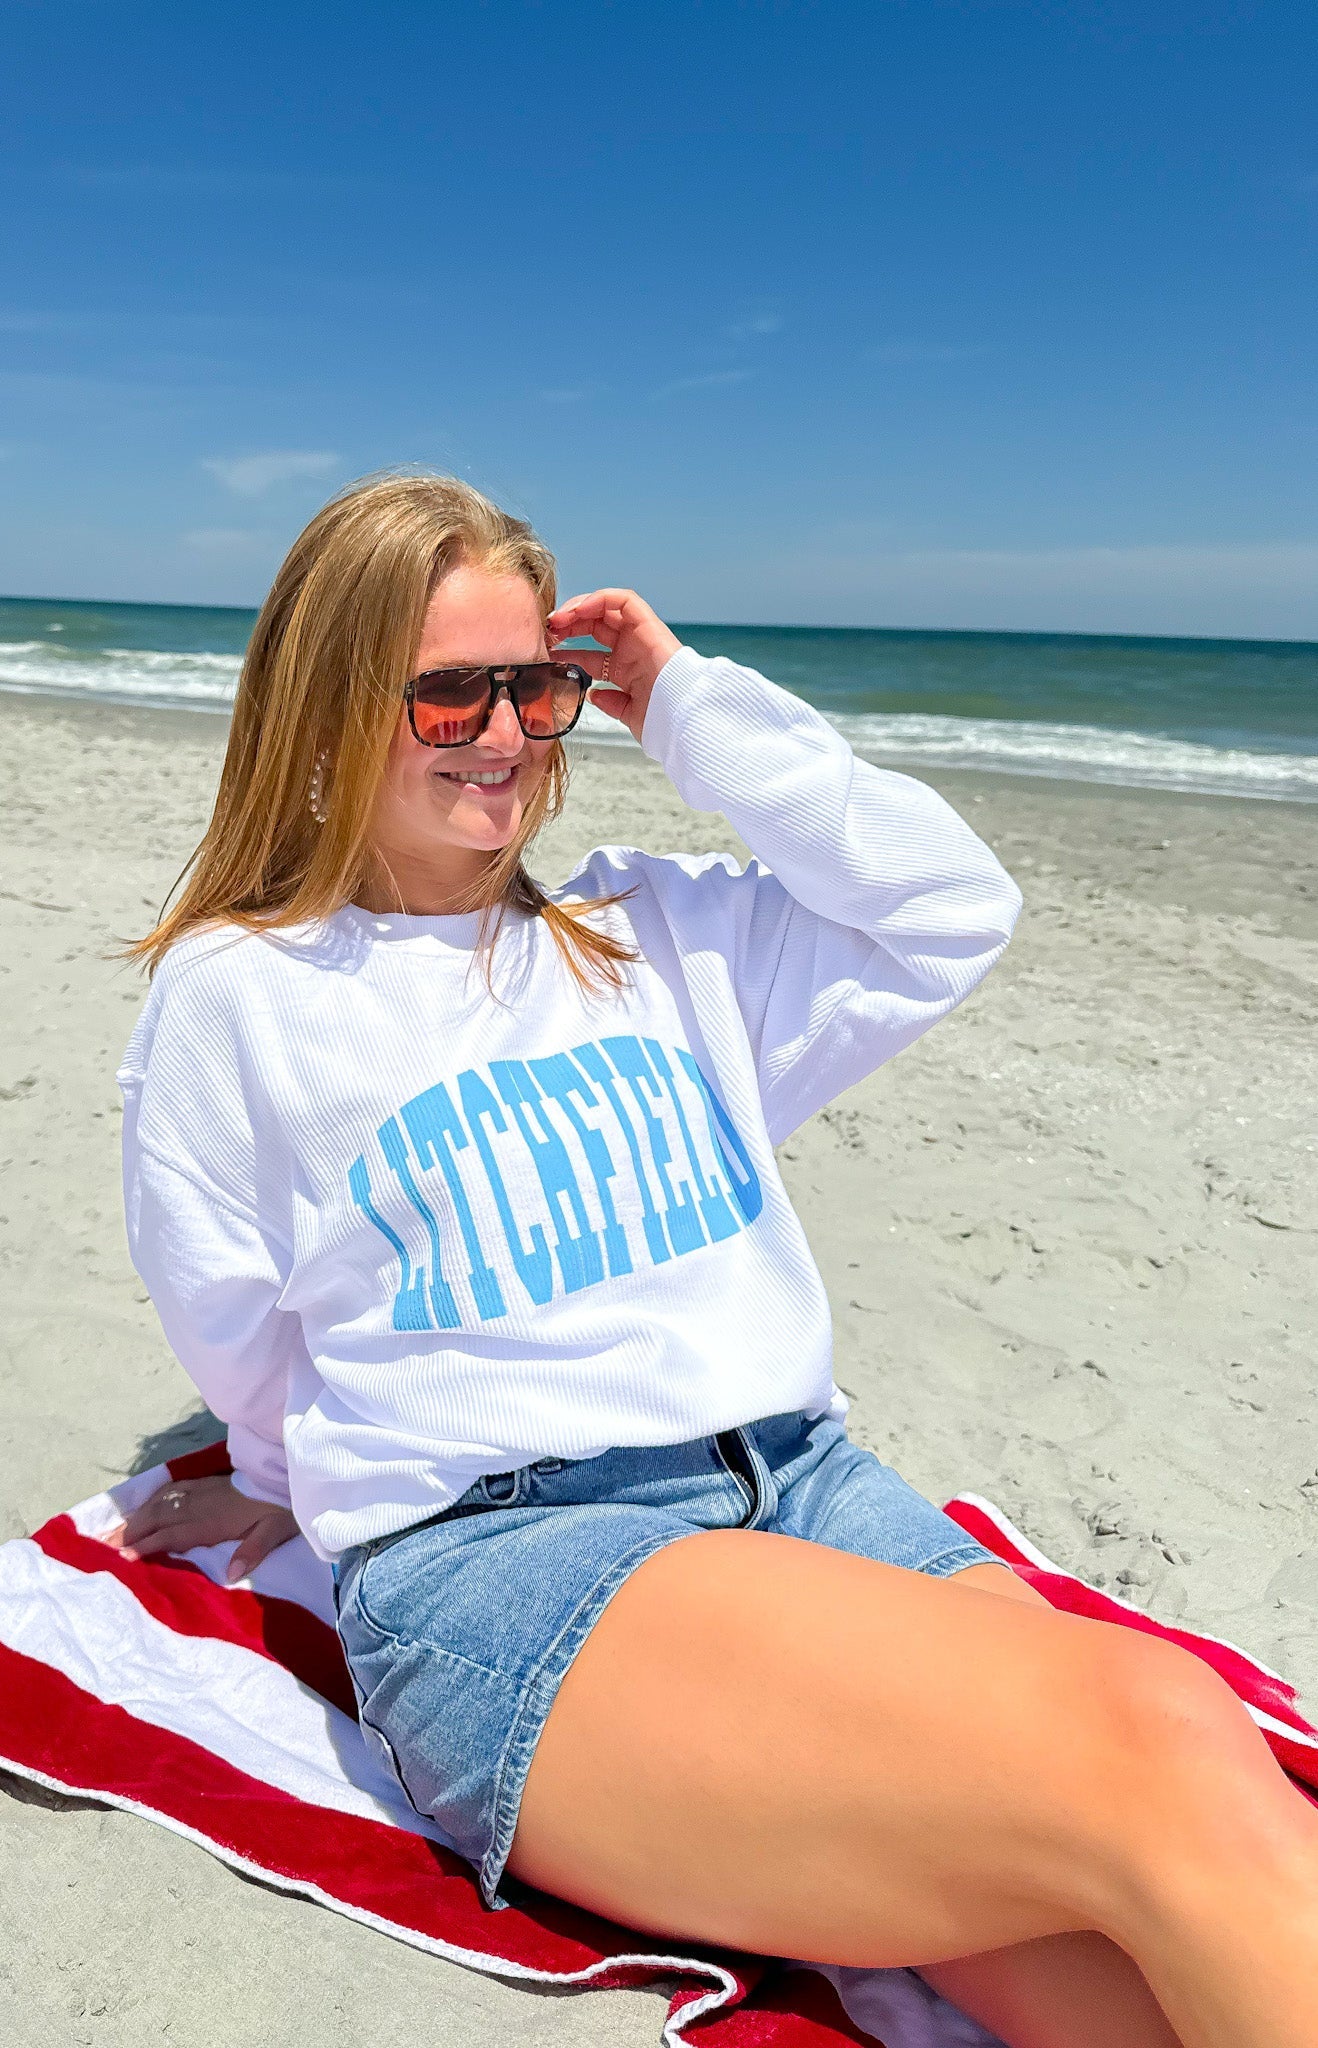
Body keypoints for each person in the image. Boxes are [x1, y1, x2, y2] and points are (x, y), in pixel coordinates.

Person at [113, 473, 1318, 2048]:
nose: (504, 734)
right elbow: (233, 1316)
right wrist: (291, 1469)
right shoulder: (243, 995)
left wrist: (685, 704)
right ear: (330, 707)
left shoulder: (650, 924)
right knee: (1158, 1737)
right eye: (446, 694)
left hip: (803, 1482)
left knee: (1132, 1885)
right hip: (524, 1564)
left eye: (533, 688)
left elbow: (948, 909)